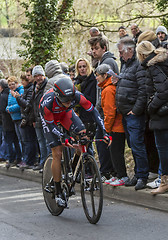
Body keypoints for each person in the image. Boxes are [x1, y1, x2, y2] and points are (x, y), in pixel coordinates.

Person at [39, 76, 112, 207]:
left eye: (70, 99)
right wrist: (63, 137)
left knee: (83, 136)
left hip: (65, 114)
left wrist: (105, 132)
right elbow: (50, 125)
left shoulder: (77, 96)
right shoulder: (47, 102)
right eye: (65, 100)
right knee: (57, 152)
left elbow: (94, 112)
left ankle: (73, 170)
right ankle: (58, 190)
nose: (69, 102)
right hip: (50, 120)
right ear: (57, 96)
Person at [115, 37, 149, 190]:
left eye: (121, 52)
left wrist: (135, 111)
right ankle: (137, 174)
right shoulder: (125, 65)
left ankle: (142, 175)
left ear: (130, 50)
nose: (120, 55)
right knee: (133, 145)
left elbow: (143, 91)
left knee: (137, 145)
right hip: (126, 113)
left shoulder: (138, 65)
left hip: (134, 114)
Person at [136, 40, 168, 195]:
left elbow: (163, 91)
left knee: (163, 149)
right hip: (163, 113)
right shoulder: (161, 62)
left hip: (161, 115)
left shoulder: (153, 66)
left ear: (141, 54)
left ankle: (165, 182)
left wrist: (151, 106)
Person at [88, 36, 119, 182]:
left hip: (104, 109)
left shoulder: (108, 62)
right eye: (92, 49)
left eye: (96, 48)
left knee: (103, 141)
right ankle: (106, 169)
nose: (93, 51)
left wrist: (97, 108)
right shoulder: (101, 61)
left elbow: (105, 88)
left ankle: (107, 170)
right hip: (101, 108)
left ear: (104, 48)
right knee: (101, 141)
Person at [95, 64, 128, 186]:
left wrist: (106, 129)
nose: (97, 78)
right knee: (114, 152)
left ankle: (122, 176)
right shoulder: (108, 88)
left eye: (98, 76)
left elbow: (109, 113)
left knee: (116, 152)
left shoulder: (108, 90)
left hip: (116, 127)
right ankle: (117, 175)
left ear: (105, 75)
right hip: (116, 126)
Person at [12, 74, 37, 168]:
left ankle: (29, 161)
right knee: (25, 141)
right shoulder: (26, 89)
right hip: (25, 117)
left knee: (29, 141)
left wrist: (18, 97)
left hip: (28, 118)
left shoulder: (30, 89)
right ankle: (27, 160)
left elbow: (27, 105)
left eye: (23, 80)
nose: (22, 83)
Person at [31, 65, 50, 171]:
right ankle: (43, 162)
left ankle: (48, 164)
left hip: (46, 119)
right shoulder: (35, 87)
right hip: (37, 119)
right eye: (36, 76)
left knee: (47, 143)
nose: (38, 78)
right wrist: (33, 119)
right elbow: (34, 104)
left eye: (40, 75)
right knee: (41, 142)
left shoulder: (47, 85)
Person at [0, 79, 22, 167]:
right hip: (13, 120)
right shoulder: (9, 94)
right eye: (10, 84)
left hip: (7, 121)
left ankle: (11, 158)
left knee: (9, 141)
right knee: (16, 141)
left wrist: (9, 109)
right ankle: (18, 157)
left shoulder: (3, 96)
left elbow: (2, 109)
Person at [6, 76, 24, 166]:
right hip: (14, 118)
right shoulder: (10, 93)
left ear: (16, 83)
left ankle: (25, 159)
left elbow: (19, 104)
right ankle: (20, 158)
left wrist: (11, 109)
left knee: (23, 140)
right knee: (19, 139)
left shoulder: (20, 91)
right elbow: (7, 104)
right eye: (9, 85)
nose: (11, 86)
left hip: (20, 117)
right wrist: (8, 109)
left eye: (13, 84)